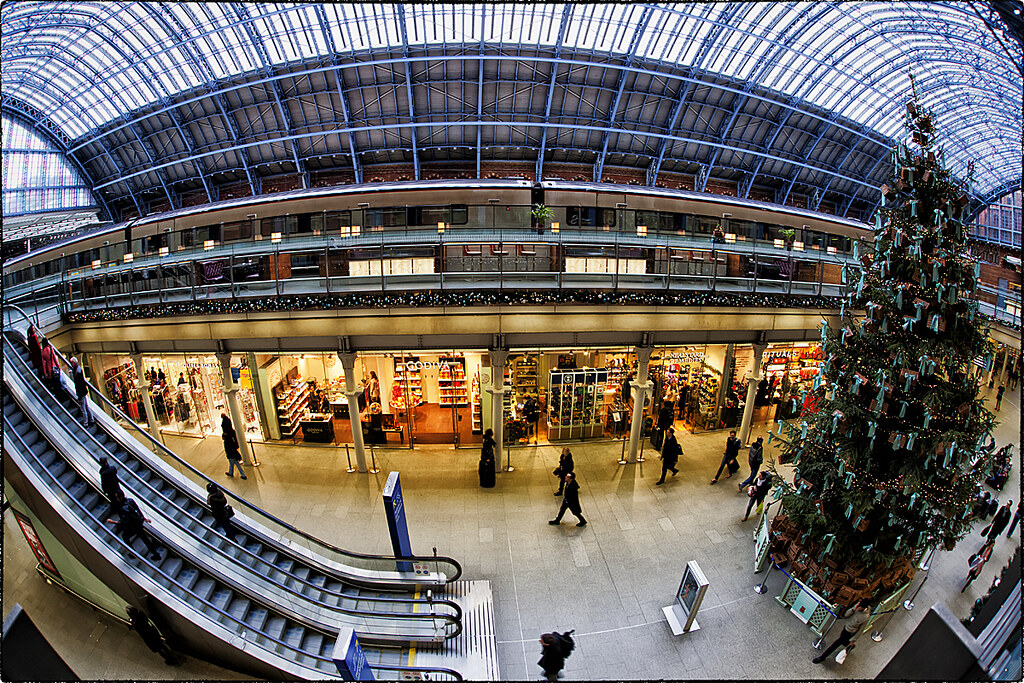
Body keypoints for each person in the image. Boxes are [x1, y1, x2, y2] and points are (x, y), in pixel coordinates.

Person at [812, 598, 872, 664]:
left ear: (864, 608)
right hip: (846, 627)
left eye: (861, 607)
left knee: (836, 643)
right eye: (859, 606)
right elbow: (846, 615)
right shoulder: (856, 607)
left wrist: (854, 639)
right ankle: (849, 645)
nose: (859, 608)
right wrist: (853, 609)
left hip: (850, 632)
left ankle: (823, 657)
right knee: (843, 641)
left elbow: (861, 629)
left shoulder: (865, 617)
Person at [68, 356, 92, 427]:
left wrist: (79, 396)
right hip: (83, 392)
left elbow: (79, 385)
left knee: (83, 409)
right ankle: (91, 420)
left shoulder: (77, 371)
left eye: (71, 362)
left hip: (81, 392)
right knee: (86, 407)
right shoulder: (77, 369)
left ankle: (86, 423)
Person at [221, 413, 247, 479]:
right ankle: (232, 473)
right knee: (233, 464)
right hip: (233, 454)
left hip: (231, 455)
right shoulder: (231, 432)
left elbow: (227, 449)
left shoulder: (227, 442)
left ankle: (239, 474)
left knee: (234, 464)